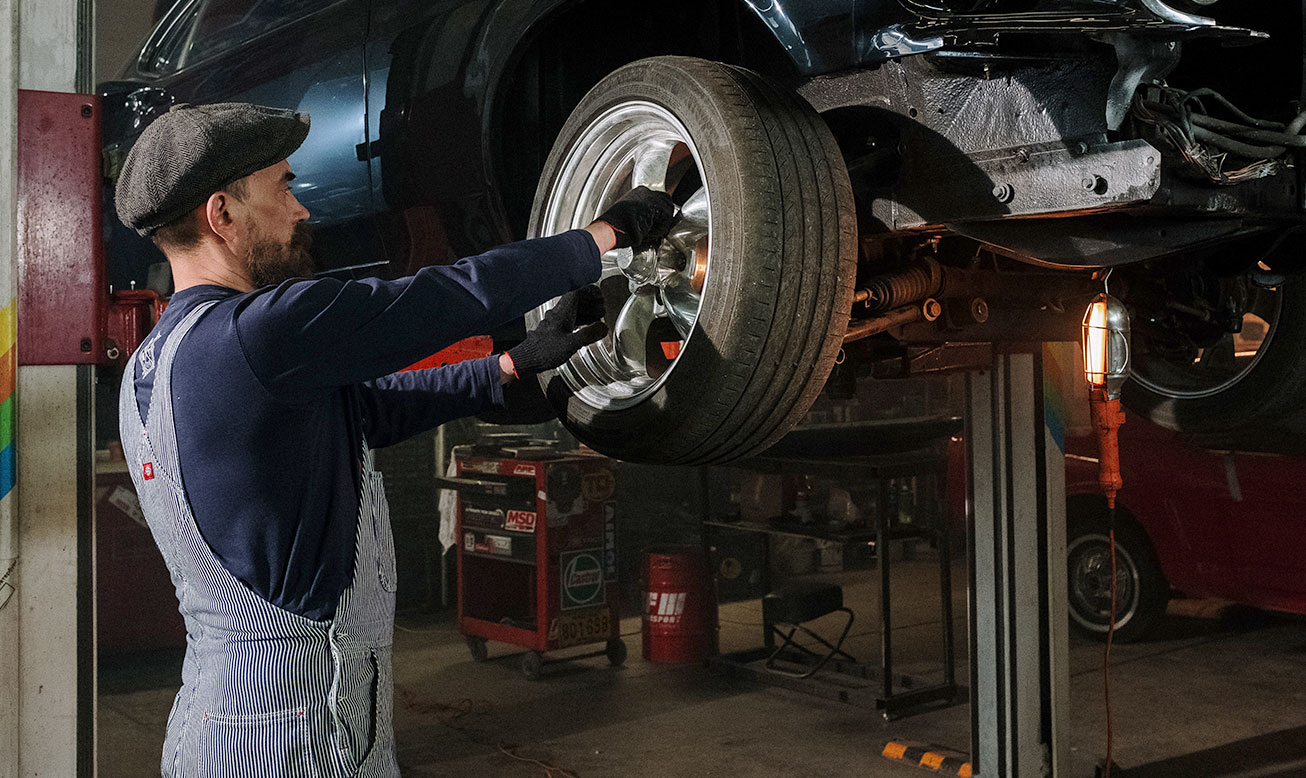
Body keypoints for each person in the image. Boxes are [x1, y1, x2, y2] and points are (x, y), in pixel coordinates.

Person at [114, 102, 675, 777]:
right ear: (222, 214)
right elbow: (448, 297)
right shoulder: (262, 332)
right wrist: (605, 236)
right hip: (291, 738)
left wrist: (510, 366)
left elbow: (358, 417)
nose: (301, 212)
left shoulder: (162, 357)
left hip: (226, 722)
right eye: (285, 187)